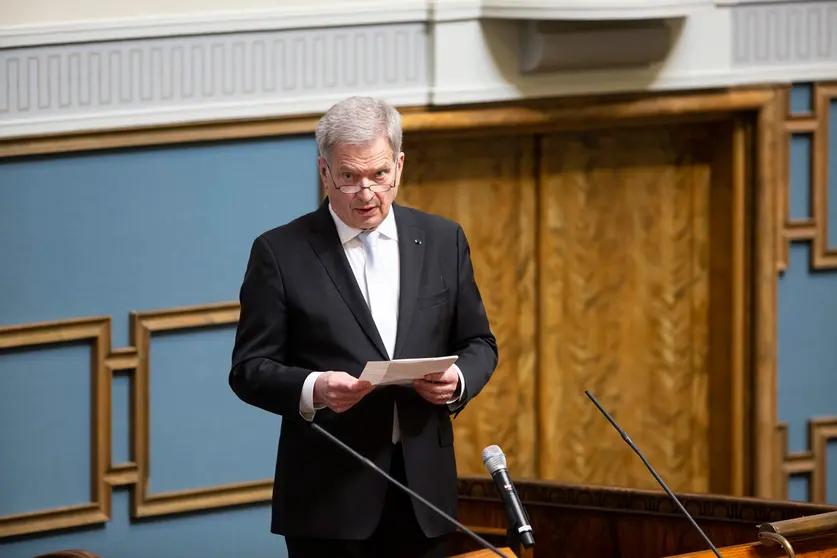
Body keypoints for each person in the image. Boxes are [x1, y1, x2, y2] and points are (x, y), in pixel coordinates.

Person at [228, 96, 498, 558]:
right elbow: (249, 369)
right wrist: (315, 388)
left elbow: (479, 343)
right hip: (328, 500)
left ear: (399, 165)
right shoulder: (280, 252)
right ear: (324, 172)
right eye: (349, 177)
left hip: (424, 495)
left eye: (379, 175)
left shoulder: (442, 239)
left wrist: (457, 381)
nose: (366, 193)